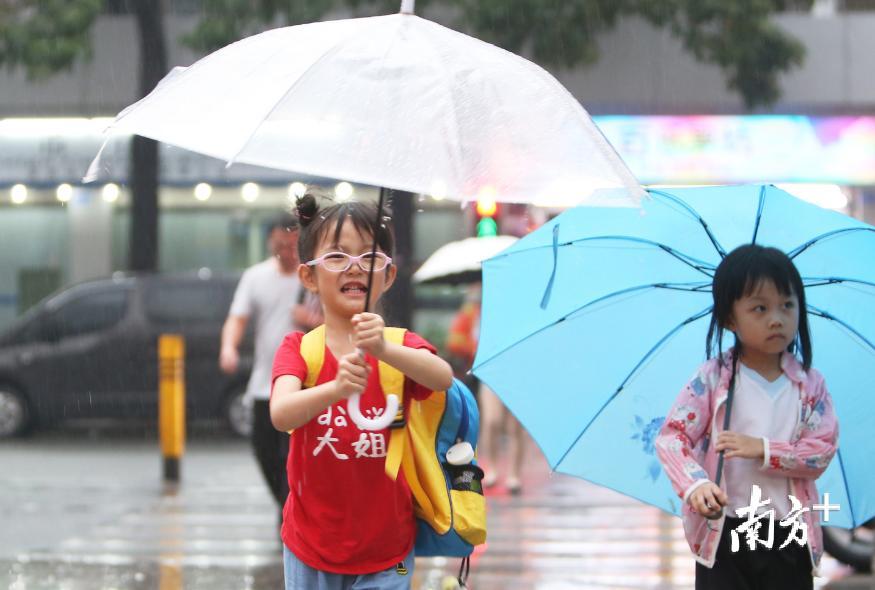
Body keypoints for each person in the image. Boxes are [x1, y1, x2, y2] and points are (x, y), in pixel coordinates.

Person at [270, 195, 454, 589]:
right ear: (308, 276)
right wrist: (335, 389)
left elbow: (442, 378)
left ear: (388, 275)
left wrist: (384, 349)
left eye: (369, 257)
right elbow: (282, 414)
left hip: (391, 553)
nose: (355, 266)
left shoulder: (401, 346)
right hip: (309, 545)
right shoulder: (300, 349)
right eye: (337, 256)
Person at [655, 244, 839, 590]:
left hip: (788, 533)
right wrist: (697, 484)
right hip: (725, 530)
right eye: (760, 308)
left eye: (787, 305)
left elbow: (821, 451)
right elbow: (673, 437)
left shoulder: (810, 386)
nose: (776, 318)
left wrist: (763, 449)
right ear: (729, 318)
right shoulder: (712, 380)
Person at [219, 213, 321, 514]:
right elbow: (237, 318)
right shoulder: (256, 277)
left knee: (294, 459)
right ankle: (287, 509)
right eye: (280, 245)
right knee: (265, 454)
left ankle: (289, 517)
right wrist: (228, 348)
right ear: (269, 243)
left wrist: (311, 319)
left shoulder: (315, 277)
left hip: (305, 386)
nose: (287, 252)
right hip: (265, 385)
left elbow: (342, 322)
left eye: (292, 245)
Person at [446, 283, 525, 495]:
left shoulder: (521, 313)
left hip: (518, 374)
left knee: (515, 427)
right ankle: (492, 468)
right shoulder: (475, 312)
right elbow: (458, 341)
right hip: (490, 373)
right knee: (491, 421)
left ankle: (514, 474)